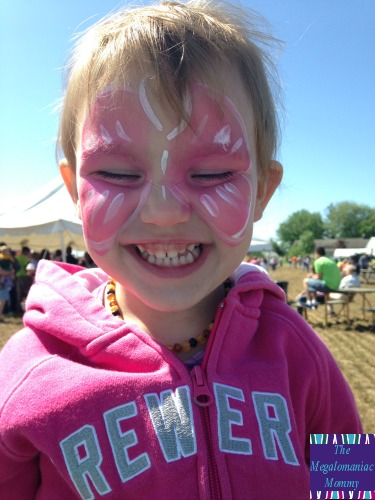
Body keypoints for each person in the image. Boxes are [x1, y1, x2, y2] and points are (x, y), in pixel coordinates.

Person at [0, 2, 361, 498]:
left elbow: (352, 482)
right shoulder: (28, 371)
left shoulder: (297, 351)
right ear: (74, 188)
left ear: (262, 192)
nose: (163, 210)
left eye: (212, 173)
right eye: (118, 174)